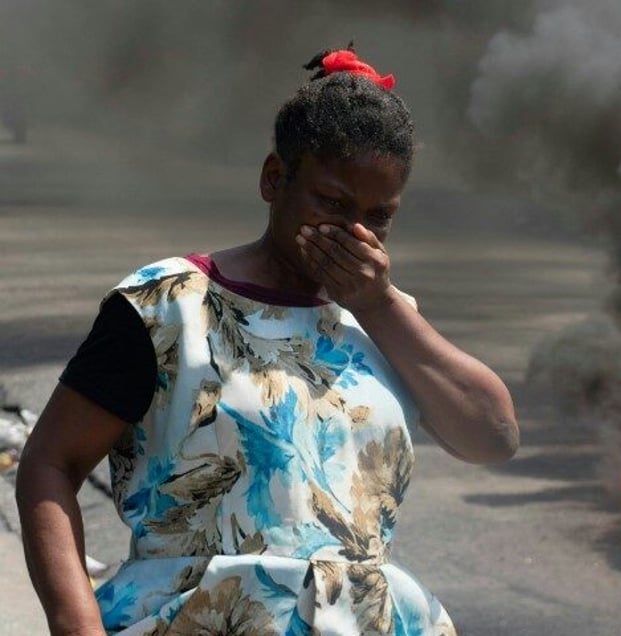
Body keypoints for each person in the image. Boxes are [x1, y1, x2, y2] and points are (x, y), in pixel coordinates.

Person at [16, 47, 519, 635]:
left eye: (378, 216)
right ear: (274, 179)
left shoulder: (386, 321)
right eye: (332, 203)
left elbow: (494, 437)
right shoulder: (168, 306)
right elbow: (50, 463)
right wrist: (76, 625)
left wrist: (379, 306)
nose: (354, 231)